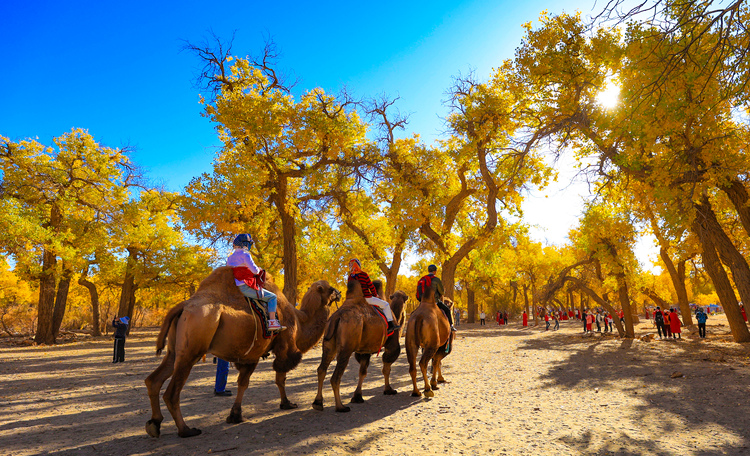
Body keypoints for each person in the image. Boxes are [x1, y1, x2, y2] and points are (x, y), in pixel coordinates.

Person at [228, 234, 282, 331]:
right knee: (272, 297)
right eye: (249, 244)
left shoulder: (230, 258)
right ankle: (273, 322)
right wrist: (259, 269)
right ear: (245, 244)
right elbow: (255, 271)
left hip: (234, 287)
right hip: (245, 287)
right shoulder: (245, 255)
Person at [349, 259, 400, 332]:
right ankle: (390, 325)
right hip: (366, 299)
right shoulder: (364, 274)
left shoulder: (350, 277)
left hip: (353, 300)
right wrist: (376, 295)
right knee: (385, 305)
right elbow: (371, 286)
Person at [416, 264, 455, 331]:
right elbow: (442, 292)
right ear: (435, 271)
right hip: (435, 302)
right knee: (447, 310)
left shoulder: (422, 279)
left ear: (428, 271)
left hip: (423, 302)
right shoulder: (436, 280)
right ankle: (451, 326)